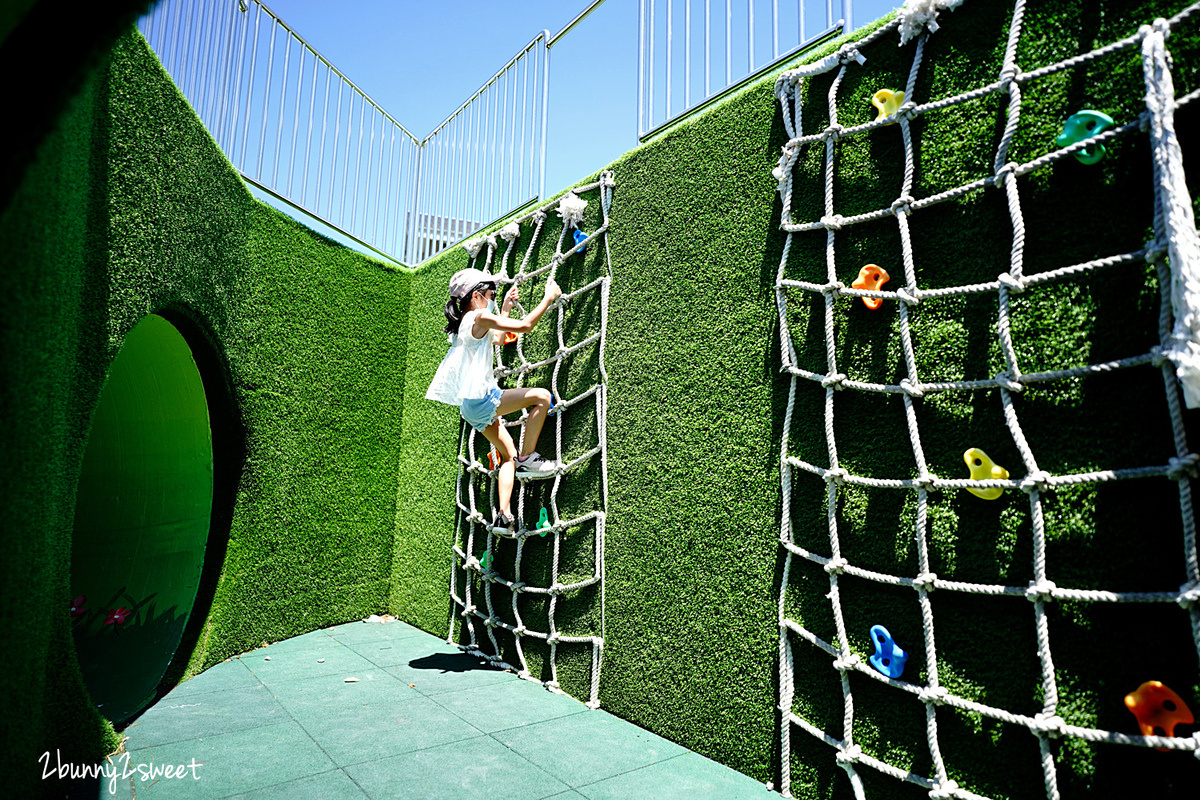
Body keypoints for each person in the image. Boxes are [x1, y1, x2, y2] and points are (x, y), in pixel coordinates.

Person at [426, 267, 563, 534]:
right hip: (484, 399)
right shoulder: (478, 316)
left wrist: (505, 307)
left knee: (506, 456)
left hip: (470, 407)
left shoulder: (463, 323)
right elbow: (526, 327)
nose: (492, 298)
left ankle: (503, 515)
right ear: (477, 295)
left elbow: (498, 339)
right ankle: (529, 458)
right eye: (491, 293)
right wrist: (549, 297)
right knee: (542, 397)